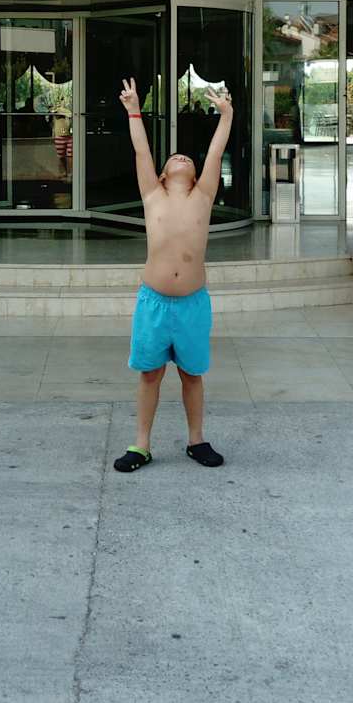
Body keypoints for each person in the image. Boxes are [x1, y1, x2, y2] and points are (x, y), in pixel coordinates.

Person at [113, 75, 233, 473]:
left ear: (197, 176)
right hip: (154, 303)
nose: (181, 157)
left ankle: (196, 440)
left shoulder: (204, 195)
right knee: (150, 375)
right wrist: (134, 110)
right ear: (162, 175)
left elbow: (215, 152)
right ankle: (141, 444)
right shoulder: (153, 194)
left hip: (192, 304)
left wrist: (226, 115)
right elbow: (141, 150)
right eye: (174, 158)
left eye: (187, 158)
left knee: (191, 375)